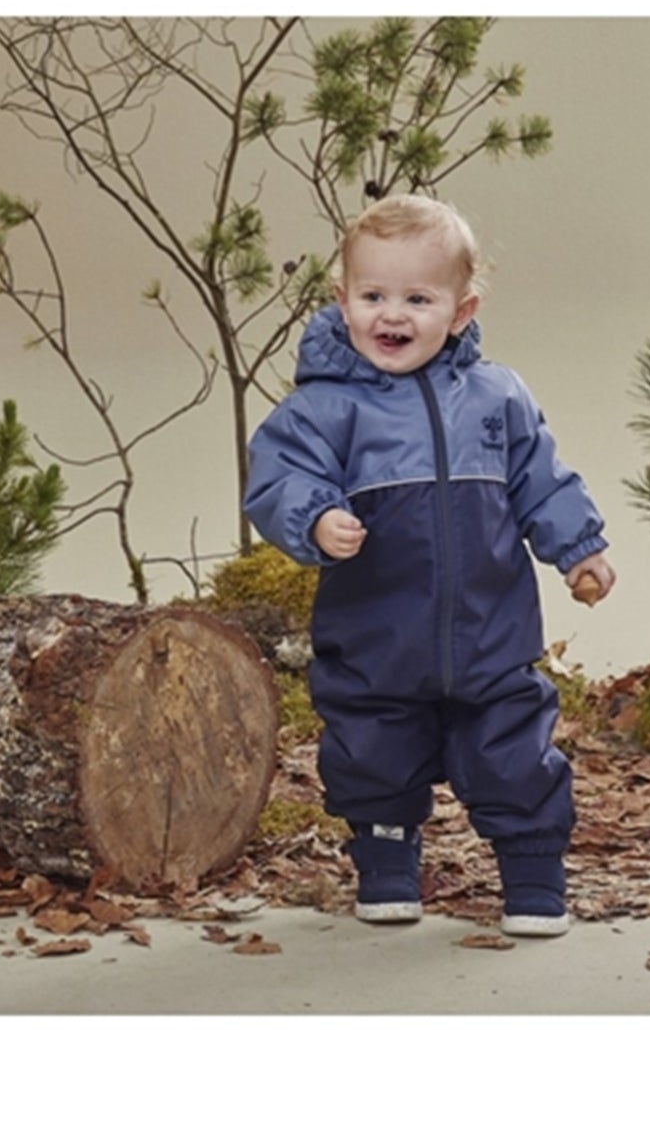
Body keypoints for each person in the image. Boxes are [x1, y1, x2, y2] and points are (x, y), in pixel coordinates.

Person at [243, 195, 615, 936]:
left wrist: (579, 548)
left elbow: (542, 480)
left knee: (513, 747)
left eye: (418, 298)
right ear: (342, 300)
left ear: (461, 310)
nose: (393, 315)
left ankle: (533, 873)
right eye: (373, 296)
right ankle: (385, 866)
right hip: (376, 635)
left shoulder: (497, 397)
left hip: (490, 632)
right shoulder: (324, 410)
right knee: (372, 748)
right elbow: (278, 478)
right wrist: (315, 516)